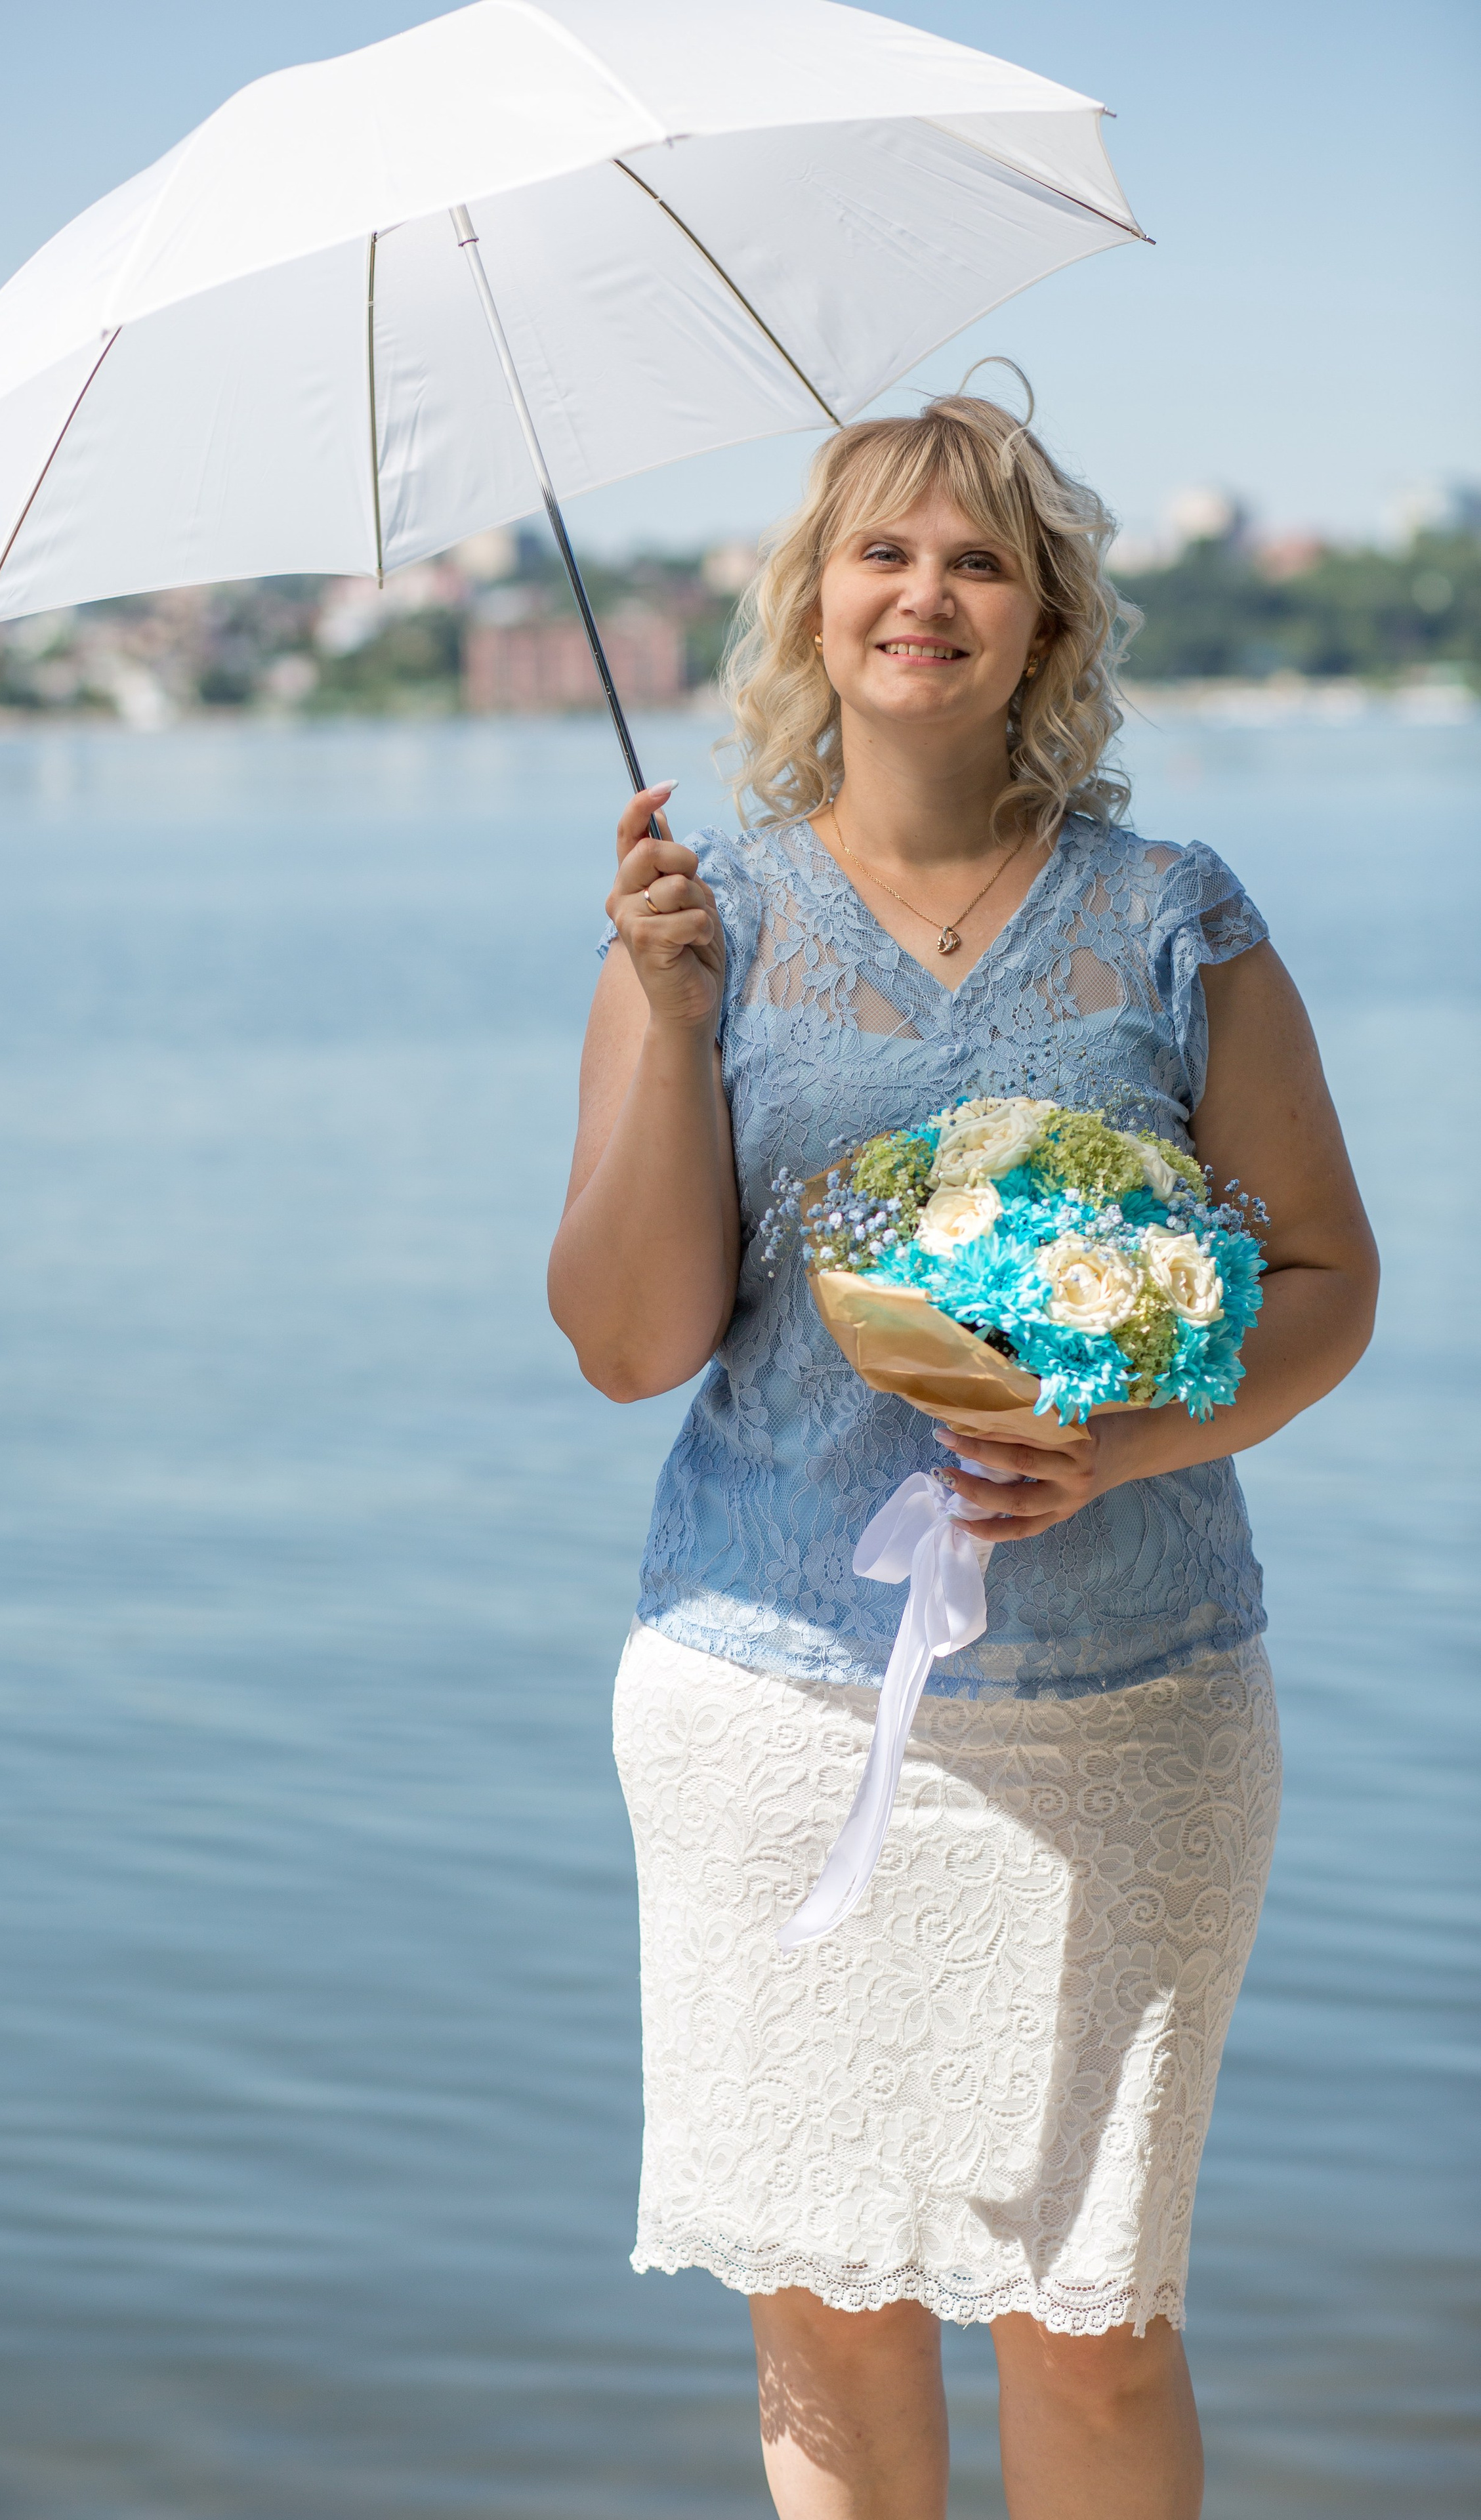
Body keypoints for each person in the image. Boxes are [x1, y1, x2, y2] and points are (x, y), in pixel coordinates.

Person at [547, 390, 1377, 2520]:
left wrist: (1119, 1450)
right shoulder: (693, 927)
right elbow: (632, 1346)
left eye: (982, 561)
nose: (927, 594)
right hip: (771, 1705)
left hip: (1136, 1705)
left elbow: (1326, 1282)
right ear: (813, 608)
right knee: (826, 2331)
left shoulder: (1179, 914)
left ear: (1046, 627)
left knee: (1093, 2332)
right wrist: (658, 1015)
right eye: (884, 555)